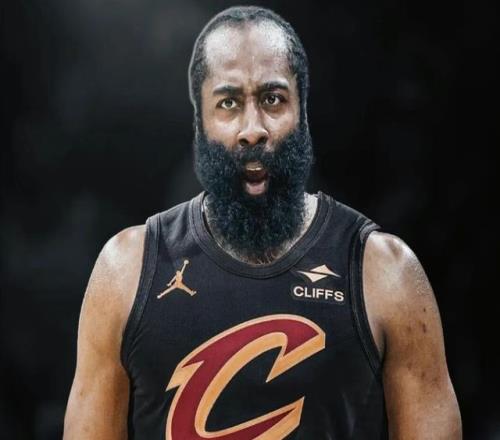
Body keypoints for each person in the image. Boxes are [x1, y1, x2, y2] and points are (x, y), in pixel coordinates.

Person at [63, 6, 462, 439]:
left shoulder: (386, 274)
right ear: (200, 120)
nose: (252, 129)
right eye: (229, 102)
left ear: (302, 111)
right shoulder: (125, 271)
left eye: (272, 99)